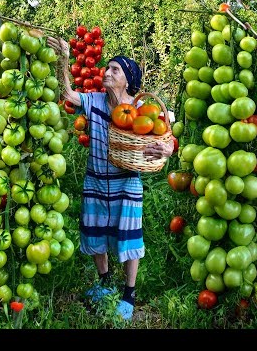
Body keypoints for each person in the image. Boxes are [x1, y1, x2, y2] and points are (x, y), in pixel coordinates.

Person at [47, 36, 173, 320]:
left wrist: (168, 148)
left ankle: (129, 293)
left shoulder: (143, 109)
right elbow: (67, 94)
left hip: (127, 181)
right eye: (107, 68)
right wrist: (64, 60)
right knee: (96, 232)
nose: (106, 72)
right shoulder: (93, 101)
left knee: (128, 238)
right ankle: (104, 282)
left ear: (127, 80)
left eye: (115, 70)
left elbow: (167, 136)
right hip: (95, 179)